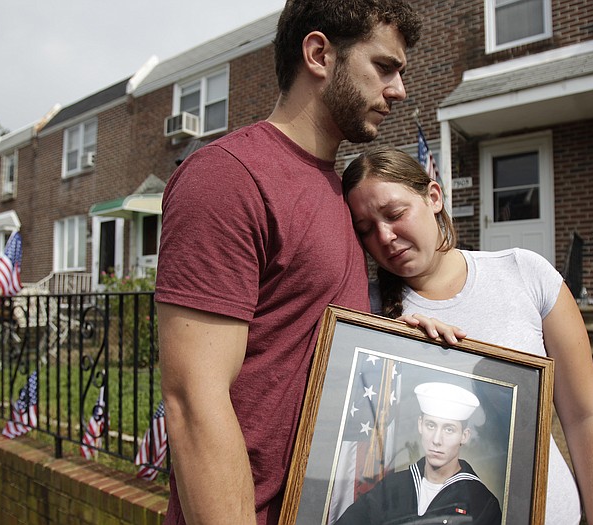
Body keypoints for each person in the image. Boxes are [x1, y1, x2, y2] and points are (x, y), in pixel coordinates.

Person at [154, 3, 423, 524]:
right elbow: (192, 401)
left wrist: (399, 342)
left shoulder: (338, 192)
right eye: (385, 67)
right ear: (320, 54)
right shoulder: (229, 177)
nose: (398, 90)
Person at [341, 146, 593, 525]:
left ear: (434, 197)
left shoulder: (525, 273)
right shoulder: (362, 312)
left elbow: (585, 417)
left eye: (395, 214)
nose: (385, 236)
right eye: (366, 229)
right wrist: (395, 344)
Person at [336, 382, 502, 525]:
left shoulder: (482, 501)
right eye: (431, 425)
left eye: (449, 429)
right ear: (420, 425)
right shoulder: (392, 486)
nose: (437, 440)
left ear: (464, 436)